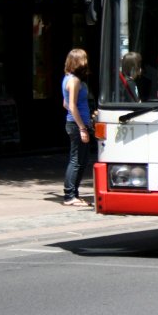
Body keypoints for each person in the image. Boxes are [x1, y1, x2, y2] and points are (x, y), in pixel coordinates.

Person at [61, 48, 94, 207]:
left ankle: (74, 193)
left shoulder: (68, 79)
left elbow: (65, 103)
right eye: (84, 59)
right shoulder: (74, 81)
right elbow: (72, 105)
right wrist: (82, 127)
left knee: (82, 159)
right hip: (76, 124)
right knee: (76, 160)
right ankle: (69, 195)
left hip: (76, 123)